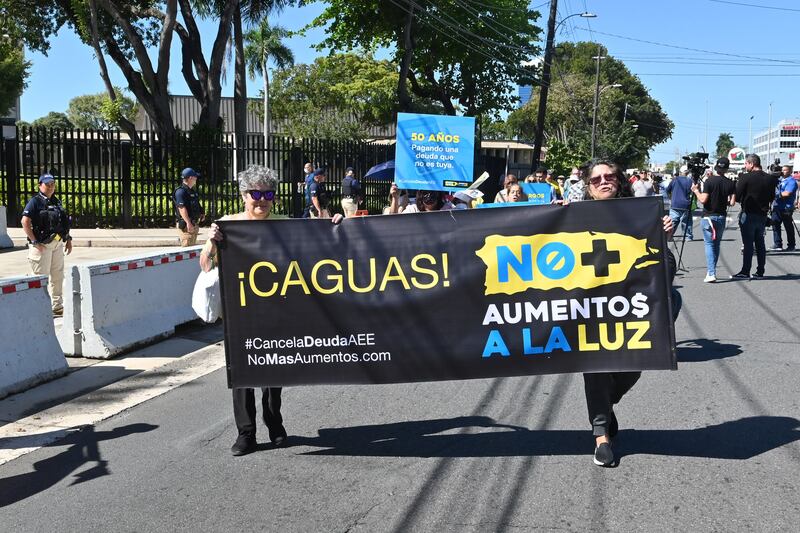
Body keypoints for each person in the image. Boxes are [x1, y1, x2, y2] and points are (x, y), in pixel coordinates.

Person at [200, 165, 342, 456]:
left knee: (273, 372)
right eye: (256, 193)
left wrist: (335, 224)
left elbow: (317, 246)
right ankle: (246, 434)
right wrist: (212, 244)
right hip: (239, 314)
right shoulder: (227, 225)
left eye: (268, 194)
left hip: (275, 311)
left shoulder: (284, 223)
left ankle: (275, 424)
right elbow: (205, 265)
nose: (262, 199)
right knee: (242, 377)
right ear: (243, 196)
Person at [569, 159, 675, 468]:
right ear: (588, 186)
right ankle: (601, 436)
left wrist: (662, 238)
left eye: (610, 176)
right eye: (596, 178)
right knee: (597, 369)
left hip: (632, 310)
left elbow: (666, 271)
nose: (604, 181)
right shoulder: (572, 218)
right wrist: (551, 220)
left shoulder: (640, 216)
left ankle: (606, 406)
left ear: (620, 180)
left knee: (635, 366)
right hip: (589, 310)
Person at [21, 173, 73, 316]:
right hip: (42, 246)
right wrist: (34, 241)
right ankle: (39, 308)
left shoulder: (56, 201)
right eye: (47, 184)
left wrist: (68, 239)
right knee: (40, 278)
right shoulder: (35, 201)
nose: (50, 187)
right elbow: (25, 222)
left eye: (52, 184)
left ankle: (57, 307)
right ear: (40, 185)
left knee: (57, 276)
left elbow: (63, 222)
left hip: (57, 244)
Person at [731, 154, 779, 279]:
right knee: (760, 244)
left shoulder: (746, 177)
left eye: (746, 163)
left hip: (748, 214)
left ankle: (745, 271)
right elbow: (772, 196)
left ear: (752, 164)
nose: (745, 166)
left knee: (748, 244)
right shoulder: (770, 178)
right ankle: (760, 271)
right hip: (762, 215)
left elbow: (738, 195)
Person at [691, 157, 736, 282]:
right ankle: (712, 271)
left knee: (709, 244)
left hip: (708, 216)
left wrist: (696, 191)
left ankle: (711, 273)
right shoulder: (730, 183)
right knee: (716, 245)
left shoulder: (710, 181)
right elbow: (732, 202)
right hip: (721, 216)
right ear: (727, 168)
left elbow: (703, 200)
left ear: (717, 167)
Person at [769, 165, 797, 251]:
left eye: (785, 170)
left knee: (788, 227)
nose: (783, 171)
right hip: (777, 207)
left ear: (790, 171)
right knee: (775, 225)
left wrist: (775, 195)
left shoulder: (791, 181)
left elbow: (787, 193)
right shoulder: (780, 180)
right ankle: (778, 244)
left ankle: (791, 245)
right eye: (782, 170)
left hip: (786, 208)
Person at [174, 168, 204, 246]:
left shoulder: (191, 191)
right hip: (186, 226)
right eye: (195, 177)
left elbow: (195, 203)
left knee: (192, 248)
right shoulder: (180, 191)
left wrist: (201, 213)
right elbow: (181, 208)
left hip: (193, 224)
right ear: (190, 178)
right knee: (187, 249)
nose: (196, 179)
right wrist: (188, 223)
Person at [666, 168, 694, 240]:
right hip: (686, 205)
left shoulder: (675, 179)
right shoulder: (690, 181)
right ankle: (688, 237)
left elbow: (667, 190)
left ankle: (669, 236)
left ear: (680, 172)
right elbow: (694, 192)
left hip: (675, 204)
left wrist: (671, 198)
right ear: (688, 172)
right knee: (686, 222)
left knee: (672, 222)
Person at [389, 184, 453, 213]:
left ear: (439, 193)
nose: (429, 195)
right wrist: (395, 198)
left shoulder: (448, 210)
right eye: (425, 191)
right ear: (420, 194)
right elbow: (394, 222)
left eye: (432, 191)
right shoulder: (413, 209)